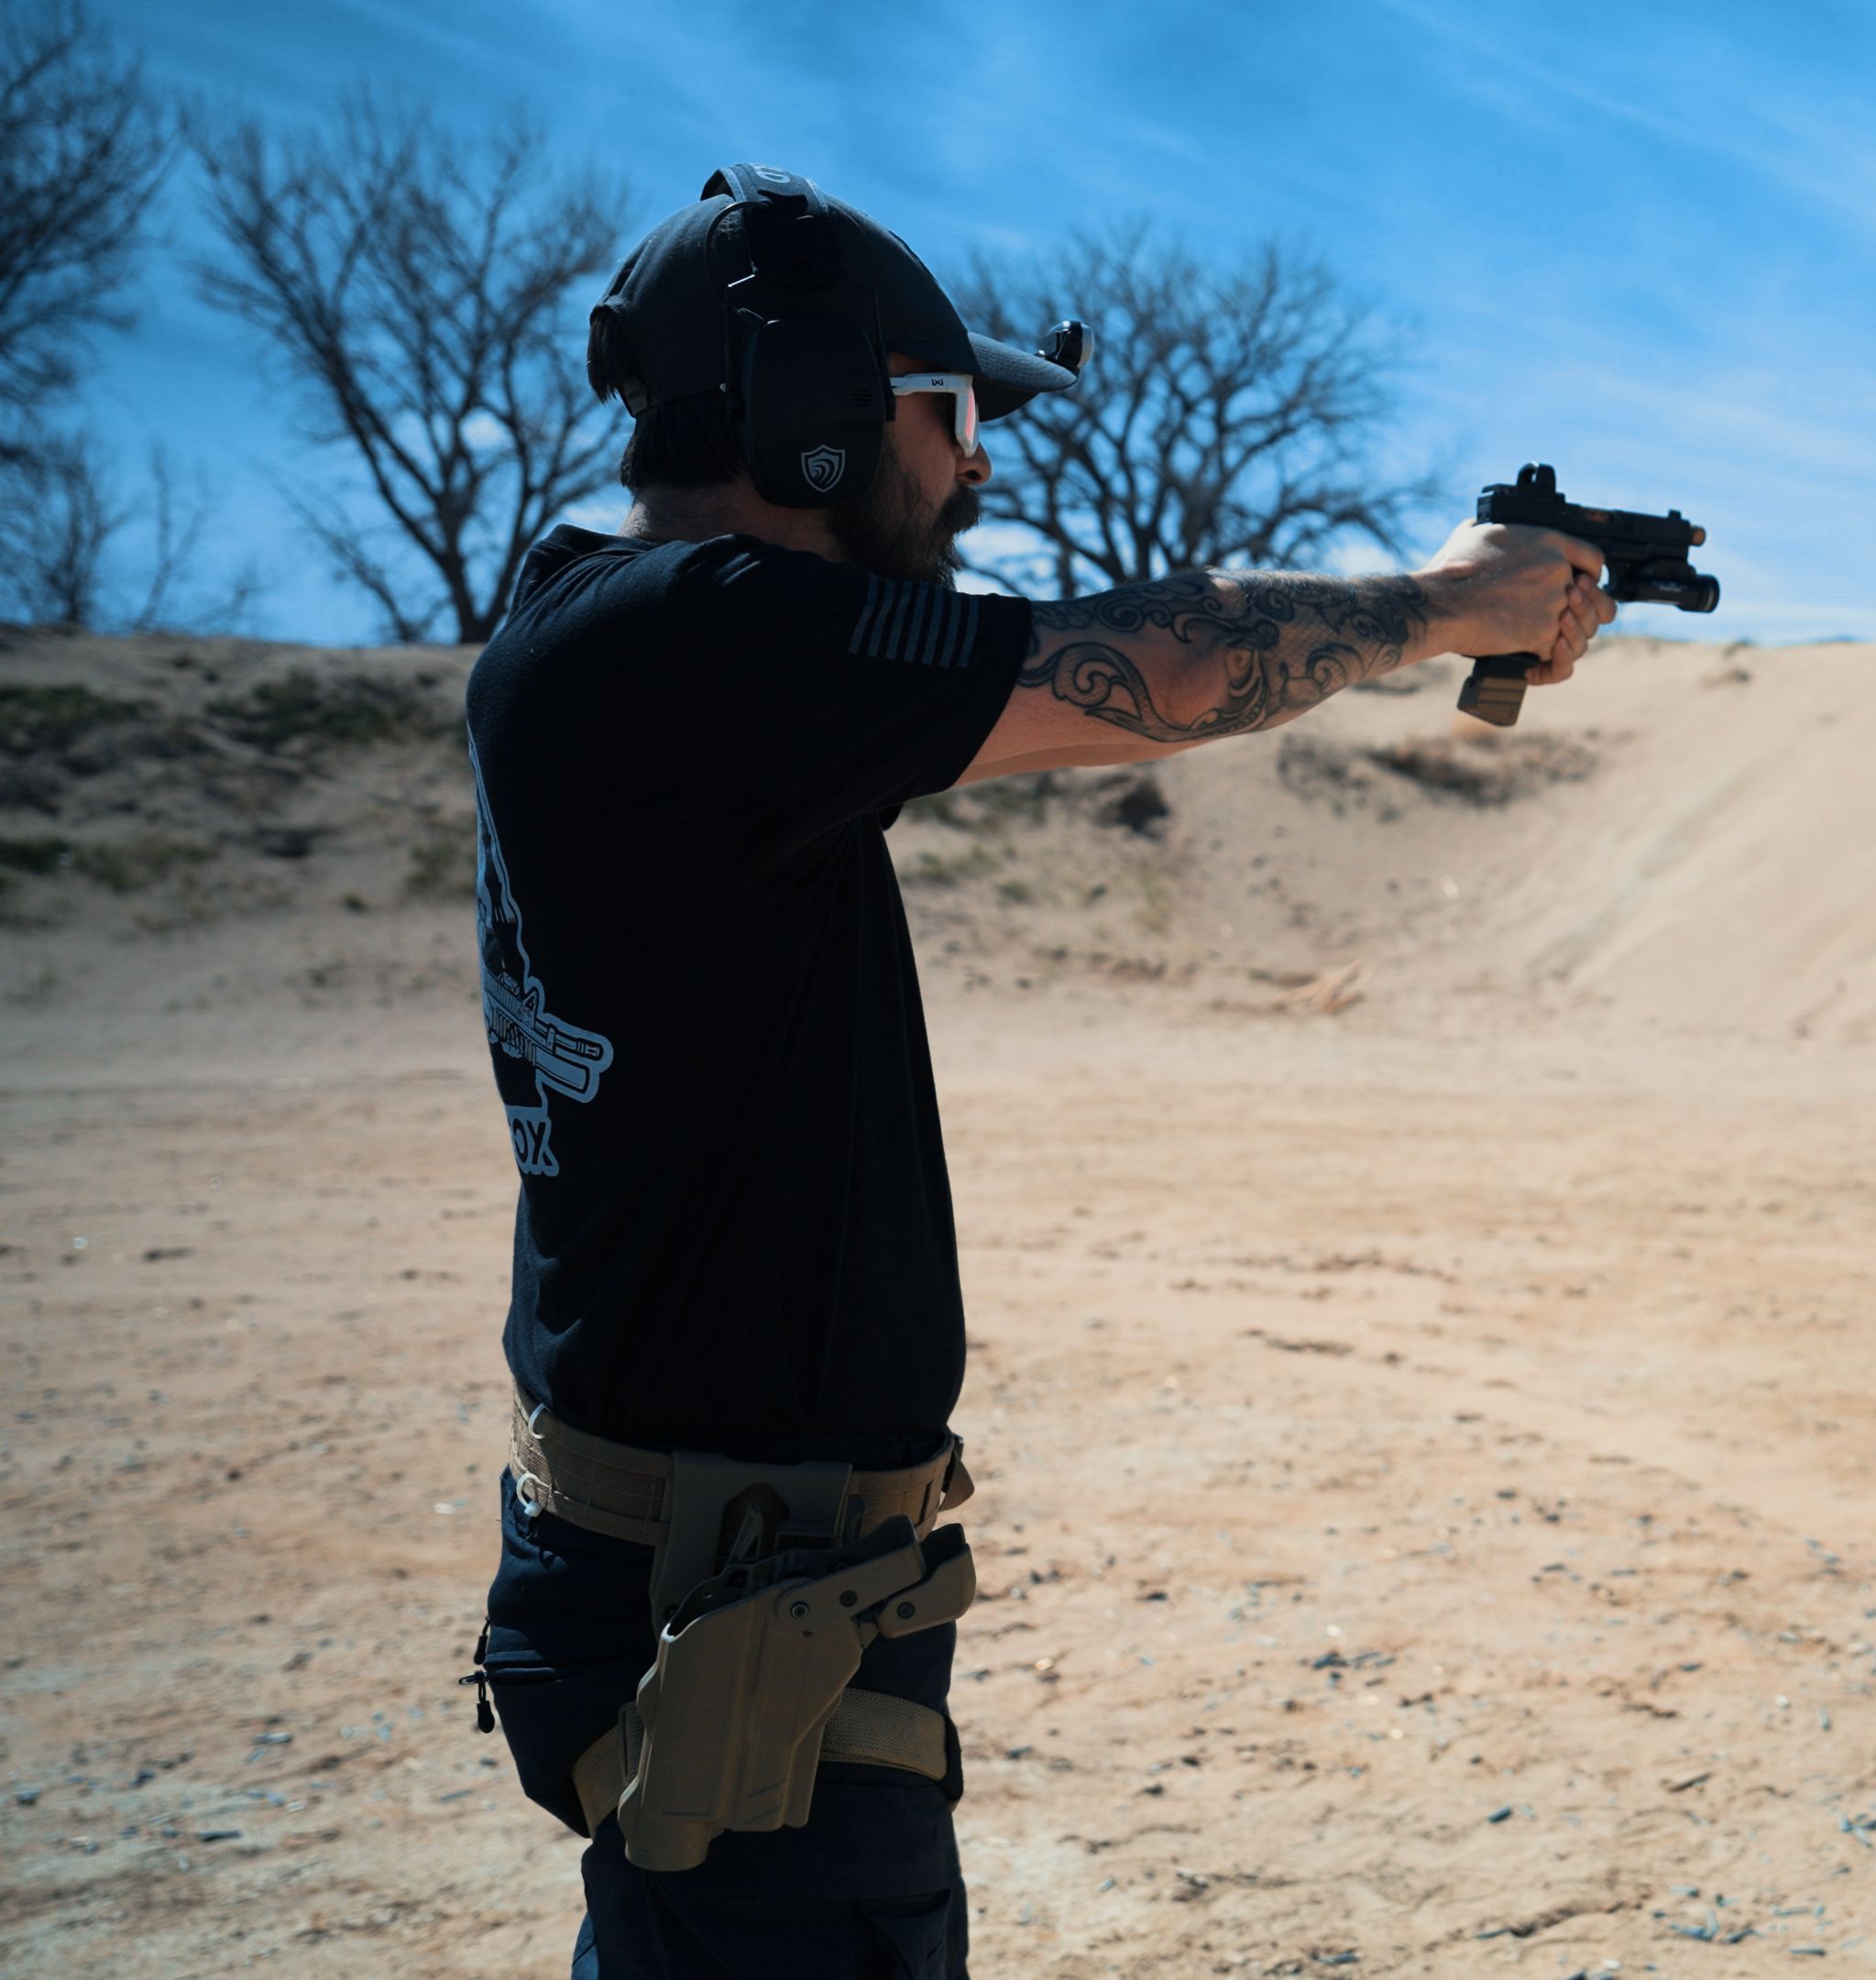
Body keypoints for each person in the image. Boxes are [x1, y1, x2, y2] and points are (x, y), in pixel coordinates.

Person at [464, 165, 1614, 1979]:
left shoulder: (612, 642)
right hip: (741, 1606)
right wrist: (1440, 603)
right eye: (955, 411)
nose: (977, 462)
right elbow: (1140, 667)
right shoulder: (685, 644)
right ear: (827, 413)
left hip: (711, 1576)